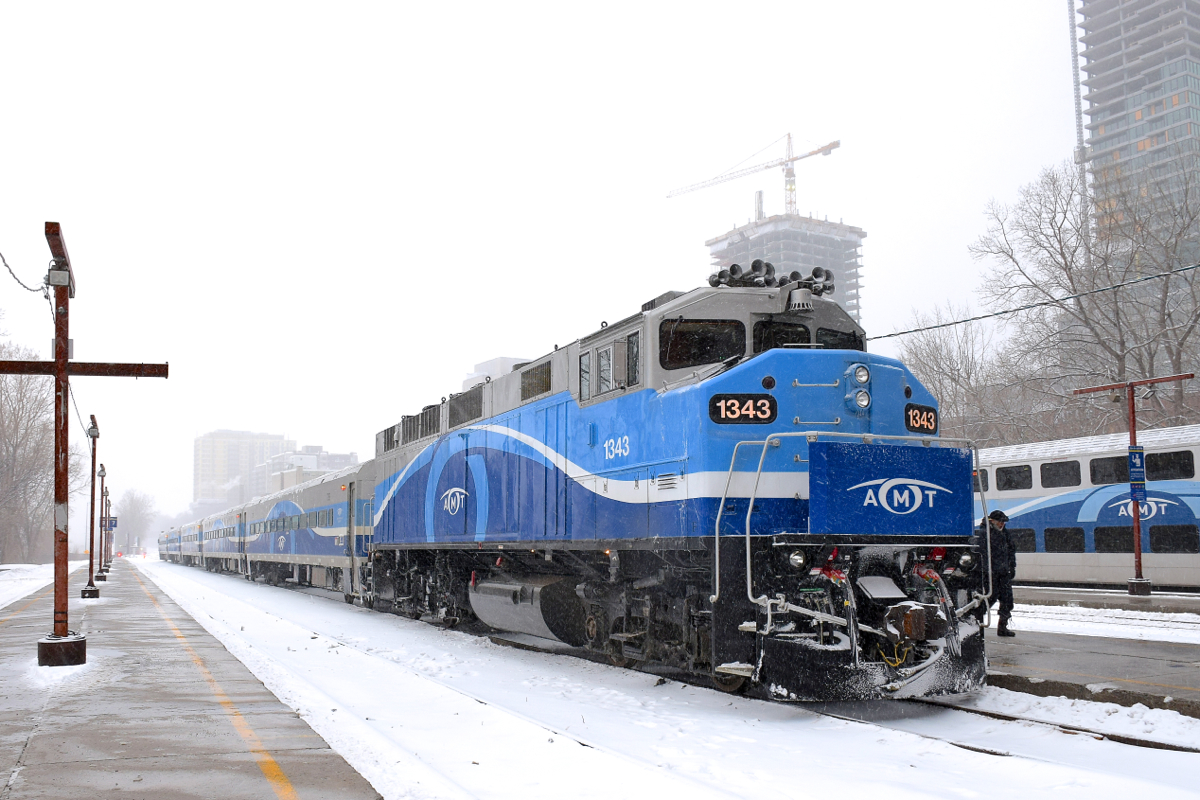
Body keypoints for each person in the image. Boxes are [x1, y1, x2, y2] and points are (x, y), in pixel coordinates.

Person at [979, 509, 1017, 637]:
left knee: (1007, 600)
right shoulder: (985, 534)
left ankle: (1002, 627)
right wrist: (987, 570)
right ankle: (976, 623)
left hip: (1004, 572)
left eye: (1003, 522)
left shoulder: (1004, 534)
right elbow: (983, 554)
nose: (1002, 524)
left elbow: (1011, 552)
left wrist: (1011, 567)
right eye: (1000, 522)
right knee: (989, 599)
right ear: (992, 521)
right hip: (991, 574)